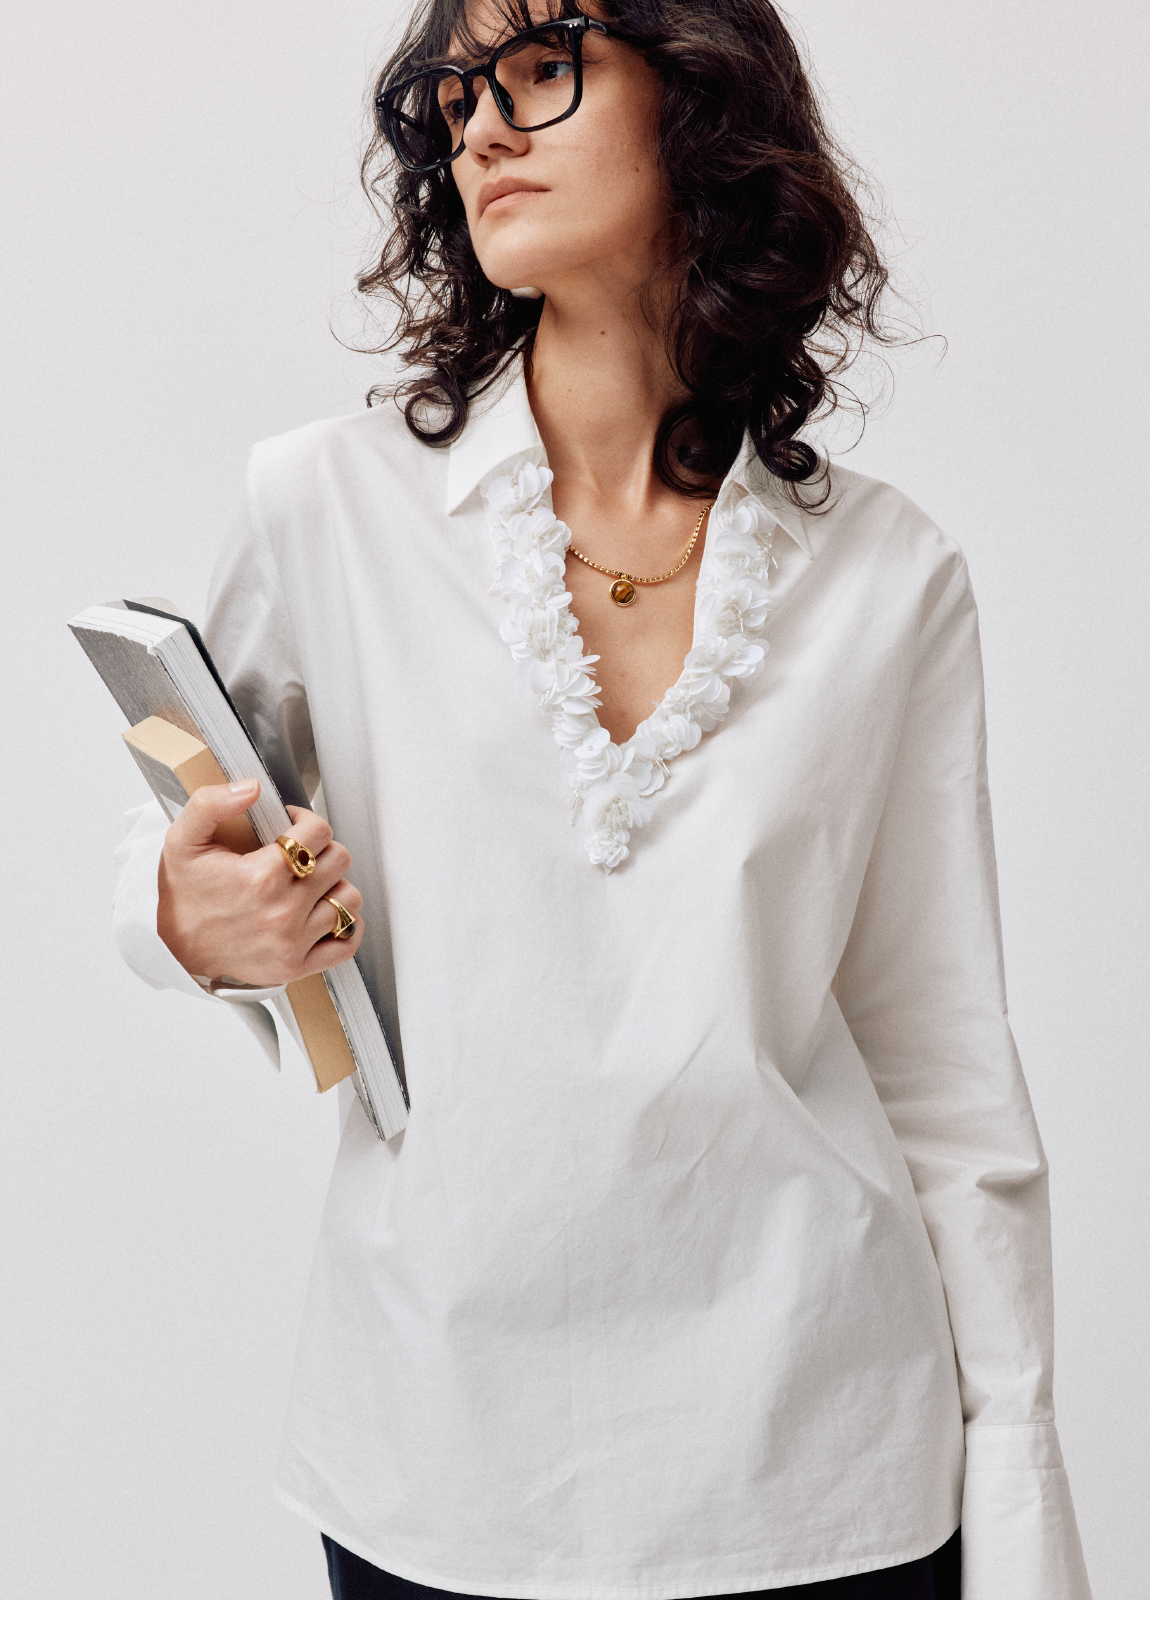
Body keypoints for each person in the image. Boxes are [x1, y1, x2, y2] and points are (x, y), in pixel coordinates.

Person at [113, 0, 1091, 1600]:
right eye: (455, 96)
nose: (483, 129)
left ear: (699, 92)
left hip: (827, 1464)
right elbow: (178, 839)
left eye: (542, 67)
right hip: (438, 1450)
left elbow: (942, 1064)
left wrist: (1025, 1518)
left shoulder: (892, 576)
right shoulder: (322, 505)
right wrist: (190, 918)